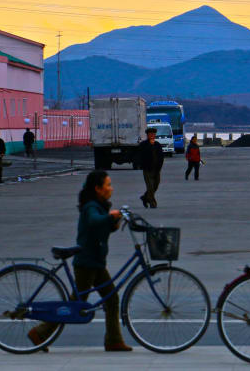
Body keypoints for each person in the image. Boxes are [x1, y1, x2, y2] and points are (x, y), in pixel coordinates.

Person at [28, 170, 132, 352]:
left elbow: (100, 228)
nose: (111, 188)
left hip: (96, 262)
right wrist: (109, 218)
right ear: (98, 189)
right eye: (108, 185)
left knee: (111, 299)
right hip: (87, 263)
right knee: (73, 305)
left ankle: (114, 340)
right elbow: (94, 222)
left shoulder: (100, 205)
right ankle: (40, 333)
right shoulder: (91, 207)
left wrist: (113, 222)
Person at [137, 128, 164, 208]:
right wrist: (141, 165)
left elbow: (161, 157)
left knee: (156, 185)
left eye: (153, 134)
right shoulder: (143, 145)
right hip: (147, 169)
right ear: (147, 135)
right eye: (150, 134)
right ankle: (153, 203)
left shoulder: (158, 145)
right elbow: (140, 155)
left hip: (157, 169)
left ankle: (145, 197)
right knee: (150, 187)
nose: (152, 135)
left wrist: (160, 166)